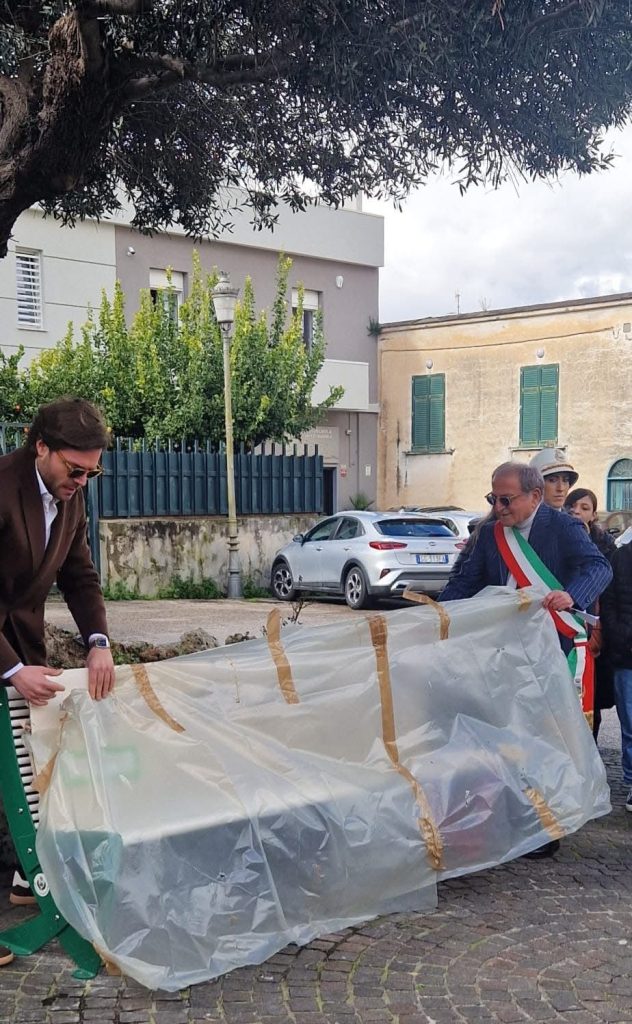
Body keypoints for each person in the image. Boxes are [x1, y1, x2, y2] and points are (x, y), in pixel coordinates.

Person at [441, 461, 613, 858]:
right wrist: (434, 617)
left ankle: (546, 826)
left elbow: (598, 567)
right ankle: (508, 817)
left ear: (534, 497)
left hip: (548, 651)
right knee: (504, 738)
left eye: (506, 499)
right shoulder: (490, 534)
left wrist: (572, 594)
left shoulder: (562, 527)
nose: (499, 507)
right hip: (500, 654)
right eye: (493, 499)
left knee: (542, 742)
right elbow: (465, 582)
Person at [0, 397, 115, 963]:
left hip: (20, 642)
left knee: (27, 769)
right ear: (40, 447)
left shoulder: (72, 499)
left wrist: (98, 642)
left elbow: (79, 575)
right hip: (5, 654)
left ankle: (29, 879)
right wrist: (12, 670)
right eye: (76, 469)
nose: (83, 481)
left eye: (93, 472)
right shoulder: (0, 486)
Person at [563, 488, 616, 741]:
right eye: (572, 506)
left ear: (593, 514)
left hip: (595, 632)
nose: (576, 511)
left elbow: (613, 593)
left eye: (584, 508)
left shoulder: (605, 548)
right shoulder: (557, 537)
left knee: (589, 696)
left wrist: (606, 628)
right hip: (563, 627)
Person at [600, 541, 632, 813]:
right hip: (627, 655)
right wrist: (621, 636)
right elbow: (608, 603)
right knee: (630, 724)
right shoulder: (621, 557)